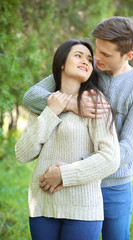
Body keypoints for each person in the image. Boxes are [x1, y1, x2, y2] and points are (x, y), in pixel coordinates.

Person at [22, 16, 133, 240]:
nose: (96, 58)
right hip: (76, 188)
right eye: (97, 50)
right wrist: (73, 104)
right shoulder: (85, 67)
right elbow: (31, 97)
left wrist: (73, 170)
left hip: (113, 188)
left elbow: (127, 148)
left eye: (106, 54)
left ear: (128, 56)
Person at [15, 39, 120, 240]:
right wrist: (51, 112)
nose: (86, 61)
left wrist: (64, 174)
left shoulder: (94, 102)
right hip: (43, 207)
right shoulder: (45, 103)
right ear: (62, 62)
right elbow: (23, 154)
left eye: (89, 59)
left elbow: (110, 158)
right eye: (78, 55)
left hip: (82, 209)